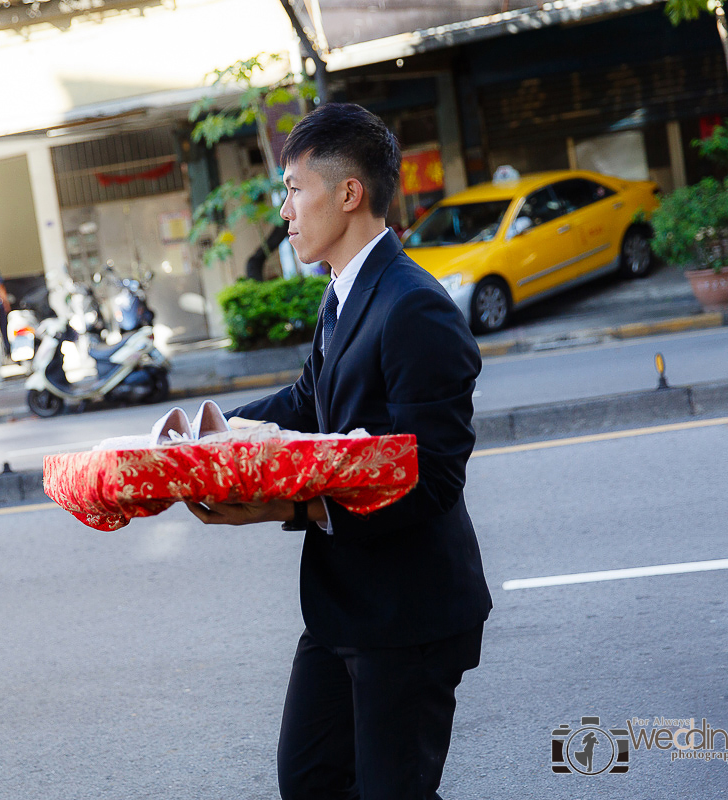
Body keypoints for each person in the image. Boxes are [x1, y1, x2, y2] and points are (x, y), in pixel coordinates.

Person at [187, 103, 492, 800]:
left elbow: (433, 476)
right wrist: (206, 437)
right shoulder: (344, 294)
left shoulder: (413, 306)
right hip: (340, 609)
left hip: (407, 615)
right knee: (312, 780)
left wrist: (295, 505)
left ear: (348, 193)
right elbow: (305, 404)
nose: (284, 211)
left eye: (295, 189)